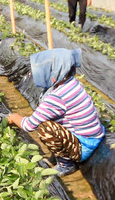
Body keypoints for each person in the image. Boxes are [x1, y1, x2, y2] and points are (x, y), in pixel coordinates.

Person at [6, 48, 104, 177]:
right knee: (48, 118)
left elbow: (28, 125)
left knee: (45, 128)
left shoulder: (57, 96)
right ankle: (60, 154)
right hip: (92, 137)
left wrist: (14, 117)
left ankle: (66, 164)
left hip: (83, 147)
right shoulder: (72, 82)